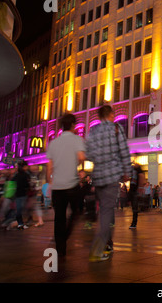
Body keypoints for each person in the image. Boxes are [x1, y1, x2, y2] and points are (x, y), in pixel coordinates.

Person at [85, 105, 132, 262]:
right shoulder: (116, 128)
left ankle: (104, 246)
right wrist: (127, 172)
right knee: (106, 212)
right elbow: (124, 151)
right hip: (112, 175)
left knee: (104, 211)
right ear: (111, 114)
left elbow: (89, 155)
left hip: (98, 176)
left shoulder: (93, 131)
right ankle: (98, 250)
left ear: (99, 116)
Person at [46, 113, 86, 256]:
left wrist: (50, 182)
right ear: (74, 125)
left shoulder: (53, 143)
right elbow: (81, 157)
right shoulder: (77, 139)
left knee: (59, 218)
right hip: (71, 184)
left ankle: (60, 247)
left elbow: (49, 166)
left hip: (57, 186)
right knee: (76, 211)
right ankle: (66, 235)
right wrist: (80, 166)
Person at [14, 161, 31, 229]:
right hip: (24, 194)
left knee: (19, 210)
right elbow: (27, 184)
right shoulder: (26, 175)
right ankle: (24, 223)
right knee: (24, 209)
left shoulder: (16, 175)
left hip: (18, 195)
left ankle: (20, 223)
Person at [128, 163, 145, 229]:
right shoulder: (134, 172)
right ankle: (134, 223)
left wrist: (140, 188)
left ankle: (134, 223)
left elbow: (141, 179)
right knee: (134, 207)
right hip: (133, 190)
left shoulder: (138, 172)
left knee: (135, 208)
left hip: (135, 191)